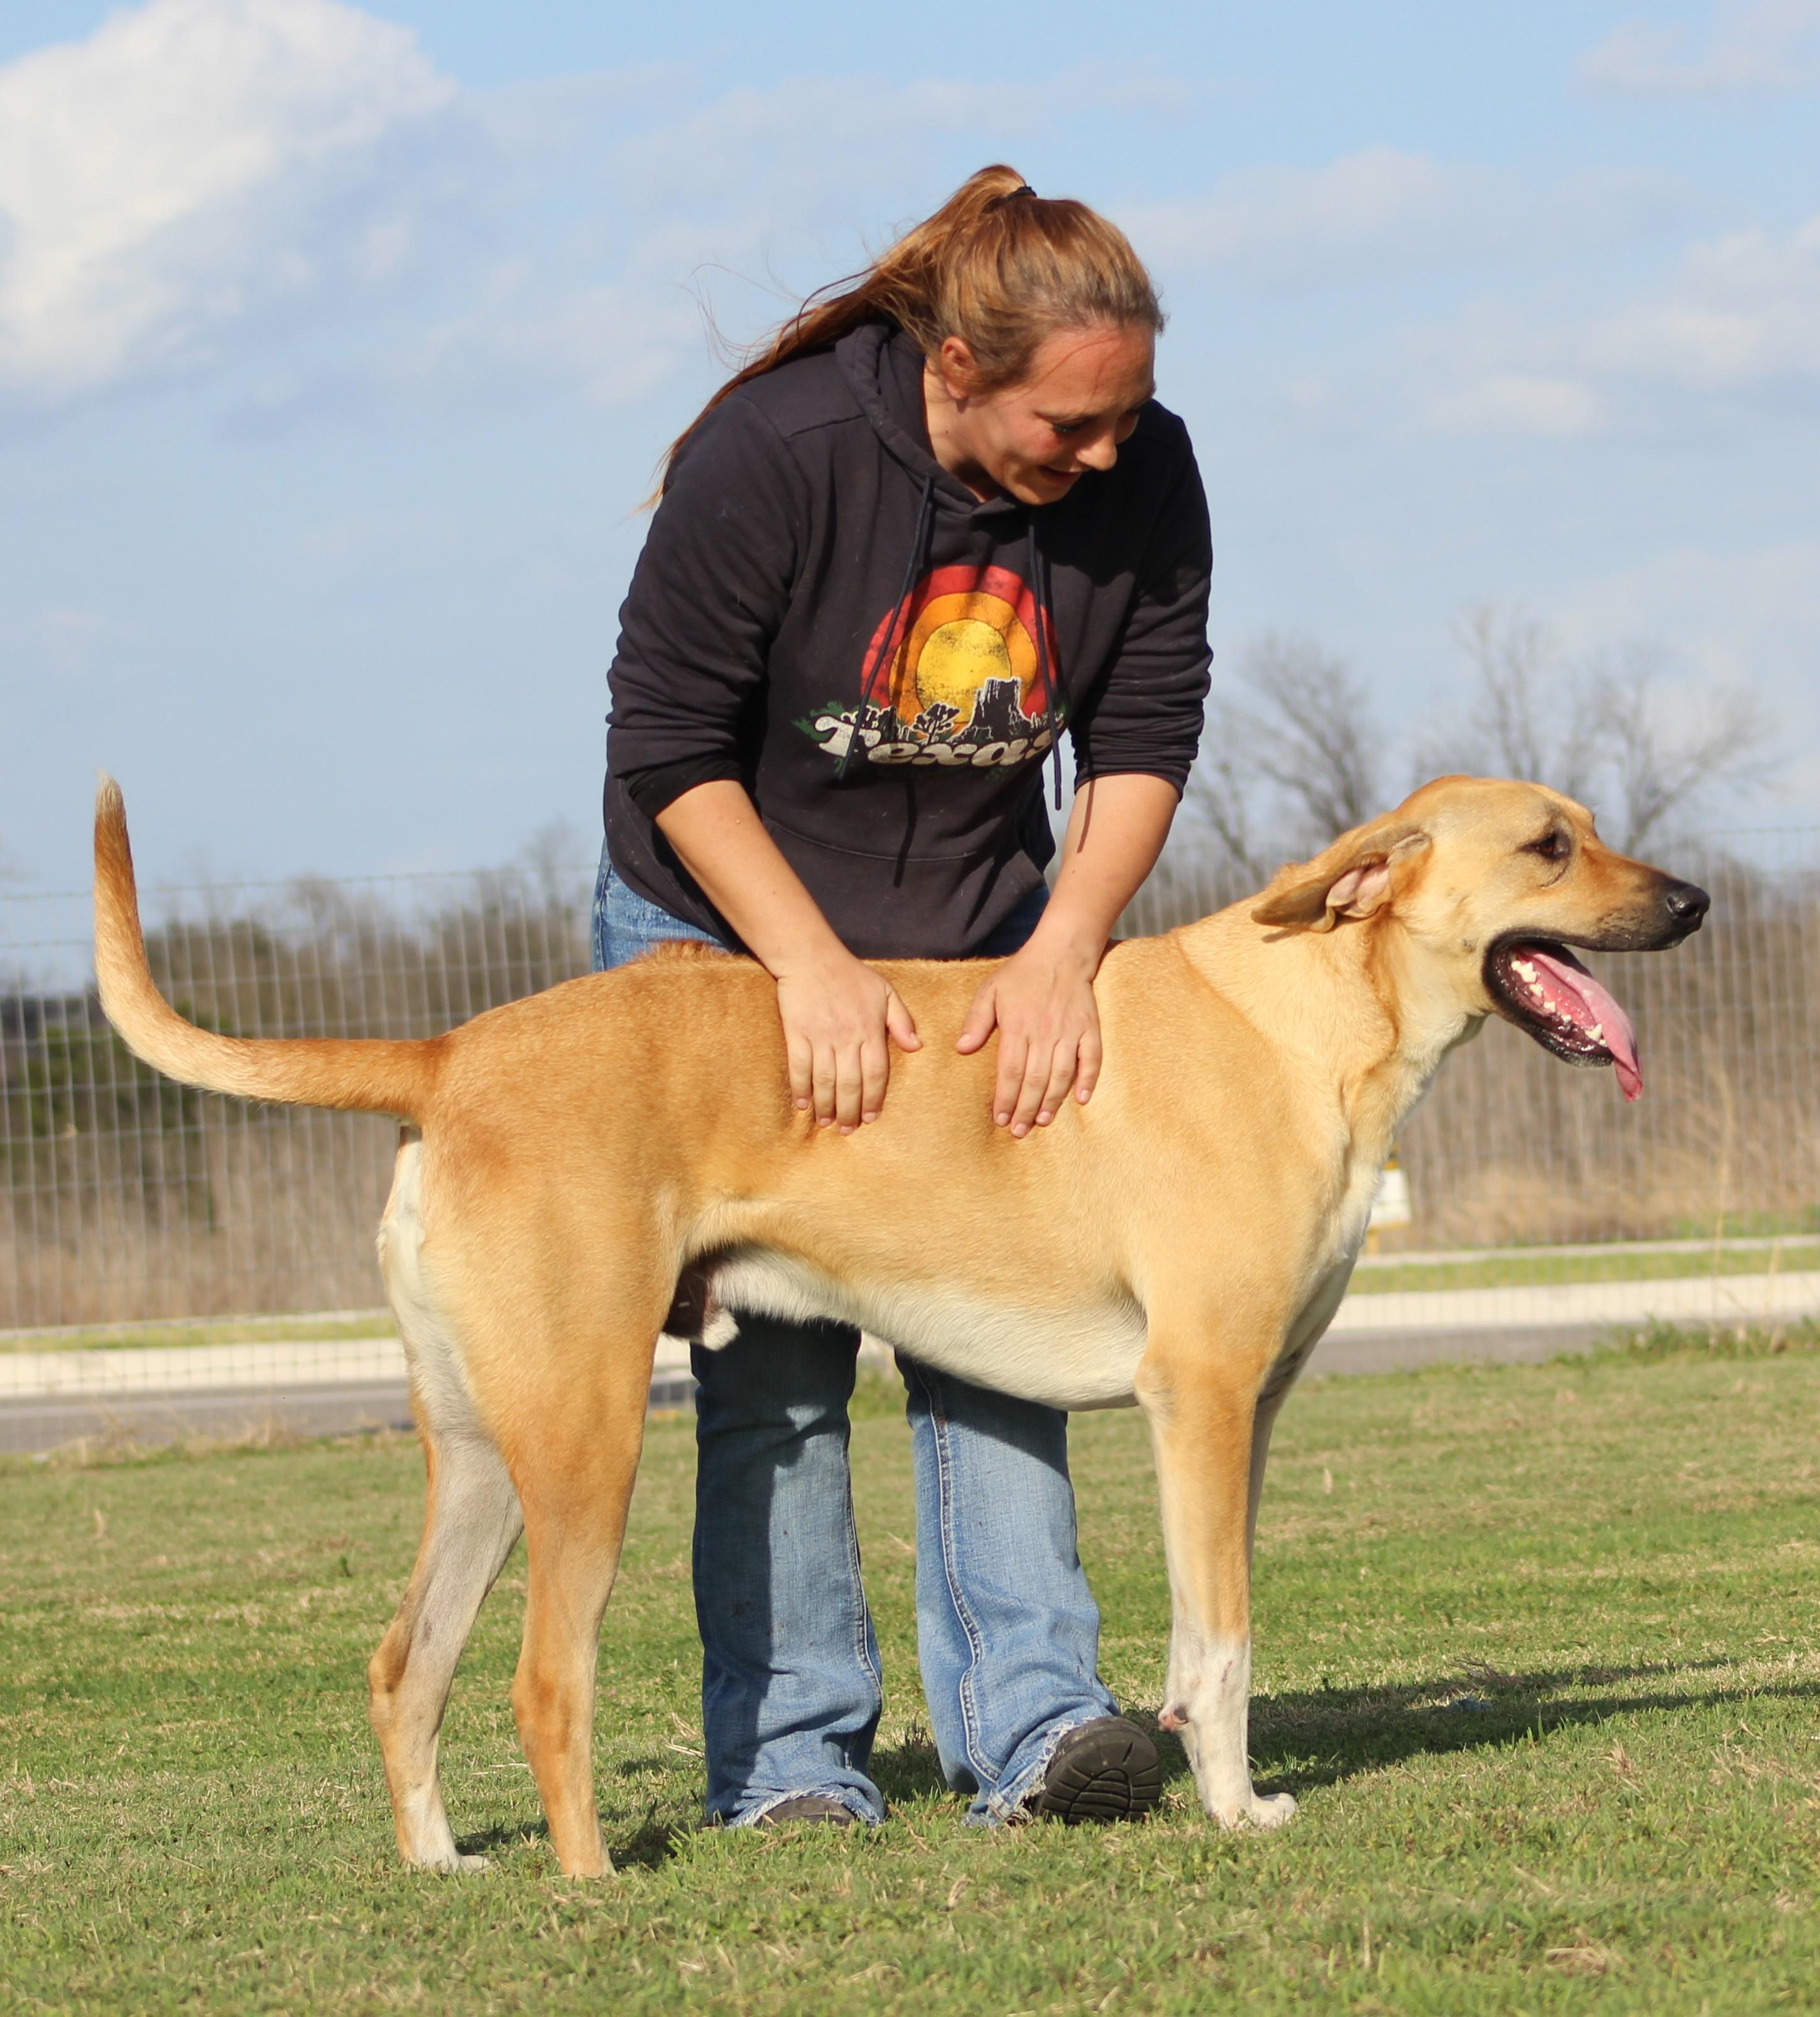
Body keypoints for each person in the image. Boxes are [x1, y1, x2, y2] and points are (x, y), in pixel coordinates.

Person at [594, 165, 1211, 1829]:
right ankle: (791, 1765)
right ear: (954, 367)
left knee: (1003, 1326)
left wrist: (1064, 947)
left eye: (1126, 416)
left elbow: (1145, 732)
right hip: (728, 932)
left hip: (980, 943)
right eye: (1069, 425)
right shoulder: (780, 452)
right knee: (775, 1371)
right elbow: (665, 746)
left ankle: (1038, 1727)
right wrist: (801, 965)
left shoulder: (1144, 468)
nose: (1106, 456)